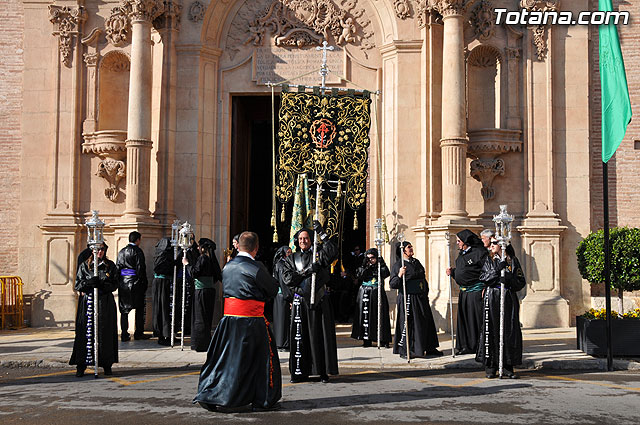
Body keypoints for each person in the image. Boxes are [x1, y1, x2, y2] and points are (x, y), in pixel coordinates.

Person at [193, 231, 281, 411]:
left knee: (224, 359)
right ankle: (261, 398)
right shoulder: (256, 267)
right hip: (252, 321)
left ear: (238, 246)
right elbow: (272, 289)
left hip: (228, 321)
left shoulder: (227, 266)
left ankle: (210, 392)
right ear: (256, 248)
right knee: (257, 362)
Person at [281, 220, 338, 383]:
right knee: (300, 338)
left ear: (311, 239)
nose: (303, 241)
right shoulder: (291, 259)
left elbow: (333, 251)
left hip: (318, 301)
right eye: (300, 239)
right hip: (300, 303)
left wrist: (322, 232)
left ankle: (322, 372)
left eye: (306, 238)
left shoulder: (319, 255)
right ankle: (299, 373)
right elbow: (288, 278)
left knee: (318, 336)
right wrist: (307, 271)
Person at [476, 237, 526, 379]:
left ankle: (507, 366)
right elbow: (484, 277)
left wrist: (509, 279)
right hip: (493, 297)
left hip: (507, 297)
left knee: (508, 330)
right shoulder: (489, 260)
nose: (491, 246)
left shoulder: (512, 261)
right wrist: (497, 270)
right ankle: (491, 366)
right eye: (490, 243)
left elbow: (521, 281)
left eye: (494, 243)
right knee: (491, 329)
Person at [70, 243, 119, 377]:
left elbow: (115, 283)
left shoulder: (110, 265)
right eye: (97, 250)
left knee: (105, 333)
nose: (100, 252)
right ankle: (81, 365)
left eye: (102, 250)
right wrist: (88, 284)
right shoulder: (85, 266)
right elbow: (78, 284)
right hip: (88, 305)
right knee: (85, 333)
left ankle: (107, 364)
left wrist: (103, 285)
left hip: (105, 304)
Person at [390, 241, 442, 358]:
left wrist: (426, 291)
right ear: (403, 251)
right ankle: (407, 350)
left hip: (421, 297)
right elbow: (393, 284)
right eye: (409, 247)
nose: (411, 249)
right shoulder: (398, 265)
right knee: (410, 323)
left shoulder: (416, 262)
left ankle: (429, 347)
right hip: (409, 297)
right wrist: (399, 275)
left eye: (411, 246)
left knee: (425, 321)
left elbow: (422, 277)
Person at [446, 229, 488, 355]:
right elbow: (463, 270)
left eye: (459, 241)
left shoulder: (480, 253)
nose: (457, 243)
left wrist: (486, 286)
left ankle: (478, 345)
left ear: (466, 241)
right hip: (464, 293)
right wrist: (453, 272)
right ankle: (465, 346)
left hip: (476, 291)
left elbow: (487, 271)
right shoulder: (462, 254)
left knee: (475, 320)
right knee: (464, 320)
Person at [182, 238, 223, 352]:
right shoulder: (211, 259)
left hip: (201, 291)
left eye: (199, 246)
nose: (197, 248)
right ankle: (205, 342)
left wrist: (187, 264)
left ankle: (200, 344)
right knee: (206, 316)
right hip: (209, 290)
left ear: (203, 248)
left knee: (200, 317)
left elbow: (195, 272)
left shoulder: (203, 258)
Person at [351, 248, 392, 348]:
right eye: (368, 258)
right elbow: (359, 275)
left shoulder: (380, 266)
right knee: (365, 317)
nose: (370, 260)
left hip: (376, 291)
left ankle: (383, 339)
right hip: (365, 292)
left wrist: (380, 263)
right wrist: (365, 266)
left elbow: (385, 273)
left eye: (372, 258)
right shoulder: (363, 266)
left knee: (380, 315)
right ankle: (366, 339)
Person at [117, 231, 150, 341]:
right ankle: (138, 332)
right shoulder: (138, 251)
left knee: (124, 310)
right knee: (140, 308)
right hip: (135, 282)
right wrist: (143, 282)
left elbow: (118, 268)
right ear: (138, 240)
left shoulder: (121, 252)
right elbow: (141, 268)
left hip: (124, 283)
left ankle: (124, 333)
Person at [152, 237, 176, 346]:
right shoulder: (165, 256)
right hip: (163, 283)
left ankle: (165, 333)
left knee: (162, 308)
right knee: (164, 308)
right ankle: (164, 334)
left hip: (160, 283)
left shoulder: (159, 254)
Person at [272, 245, 292, 351]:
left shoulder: (283, 263)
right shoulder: (281, 264)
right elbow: (284, 283)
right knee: (282, 320)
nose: (290, 254)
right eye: (288, 252)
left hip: (281, 295)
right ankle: (282, 343)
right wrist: (289, 297)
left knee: (283, 320)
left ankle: (283, 342)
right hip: (282, 295)